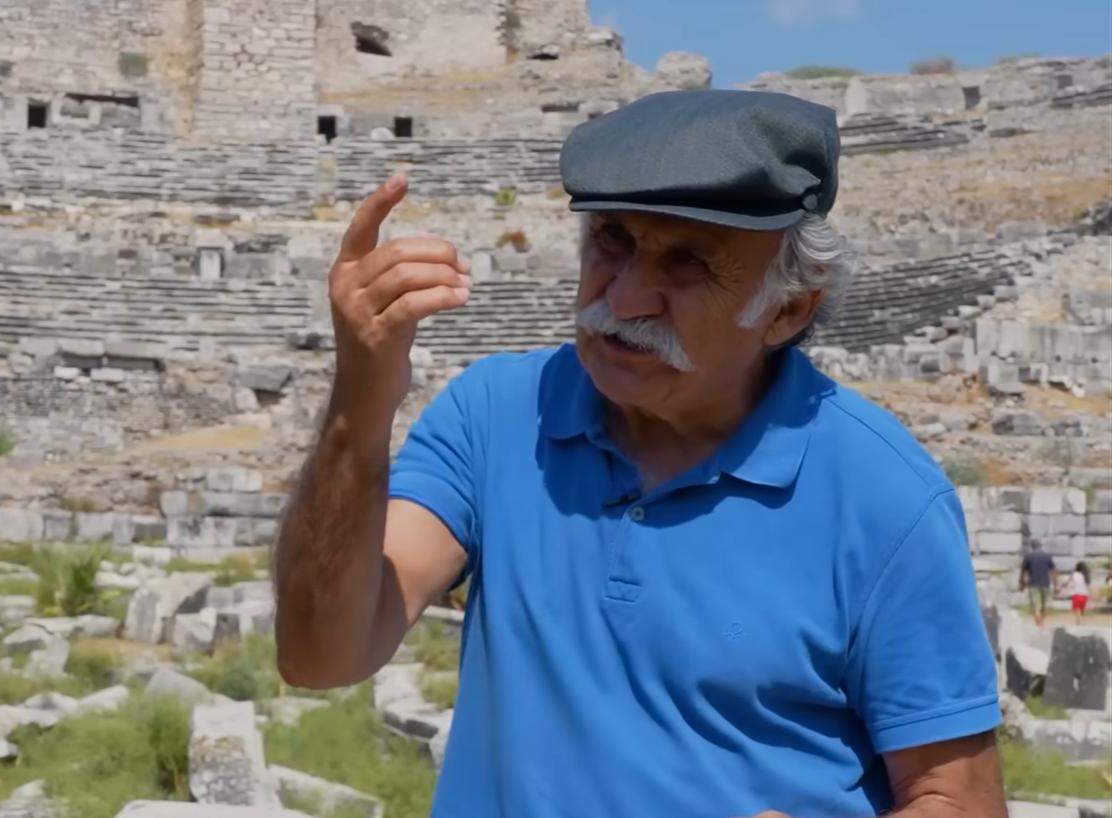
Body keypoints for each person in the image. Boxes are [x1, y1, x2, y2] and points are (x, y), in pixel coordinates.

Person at [275, 90, 1006, 817]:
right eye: (611, 243)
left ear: (789, 307)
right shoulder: (496, 415)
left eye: (688, 263)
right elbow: (320, 655)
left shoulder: (886, 499)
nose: (623, 299)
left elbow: (960, 801)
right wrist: (360, 399)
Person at [1019, 538, 1057, 627]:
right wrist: (1056, 584)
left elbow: (1023, 571)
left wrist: (1022, 583)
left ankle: (1039, 624)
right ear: (1040, 545)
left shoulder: (1028, 556)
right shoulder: (1047, 556)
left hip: (1033, 584)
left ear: (1032, 546)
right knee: (1045, 606)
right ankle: (1041, 623)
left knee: (1036, 606)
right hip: (1045, 584)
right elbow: (1053, 571)